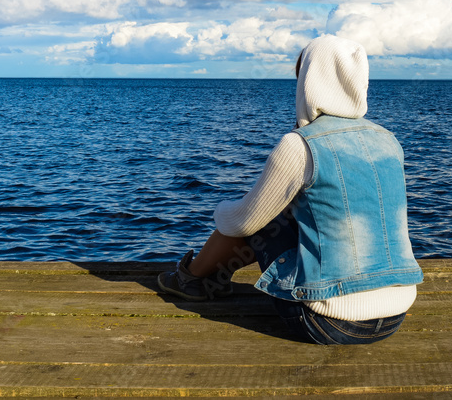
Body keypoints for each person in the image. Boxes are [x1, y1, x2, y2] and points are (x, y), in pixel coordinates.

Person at [157, 34, 423, 345]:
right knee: (293, 214)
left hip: (328, 322)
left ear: (310, 81)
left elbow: (243, 222)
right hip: (394, 315)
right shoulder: (388, 140)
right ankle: (212, 277)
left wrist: (219, 209)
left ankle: (189, 278)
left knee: (260, 218)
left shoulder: (300, 145)